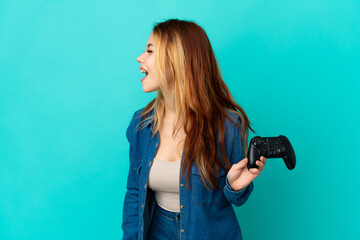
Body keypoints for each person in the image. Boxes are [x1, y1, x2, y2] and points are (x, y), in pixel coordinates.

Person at [122, 18, 266, 240]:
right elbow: (134, 194)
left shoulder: (226, 124)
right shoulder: (141, 124)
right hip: (157, 232)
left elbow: (235, 198)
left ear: (177, 60)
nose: (140, 58)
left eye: (150, 51)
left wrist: (234, 186)